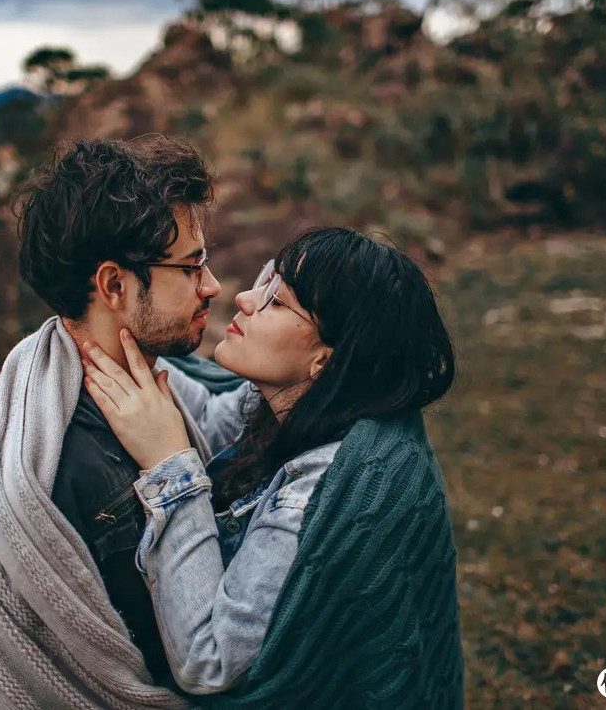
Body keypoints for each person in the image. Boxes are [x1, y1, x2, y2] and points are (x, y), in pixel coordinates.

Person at [0, 136, 249, 709]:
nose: (212, 286)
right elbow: (182, 657)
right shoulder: (86, 465)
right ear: (114, 286)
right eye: (191, 266)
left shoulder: (145, 381)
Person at [80, 227, 464, 708]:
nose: (243, 298)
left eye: (276, 301)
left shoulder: (318, 493)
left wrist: (168, 464)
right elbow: (203, 415)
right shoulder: (305, 404)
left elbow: (209, 660)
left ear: (326, 358)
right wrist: (102, 328)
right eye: (263, 284)